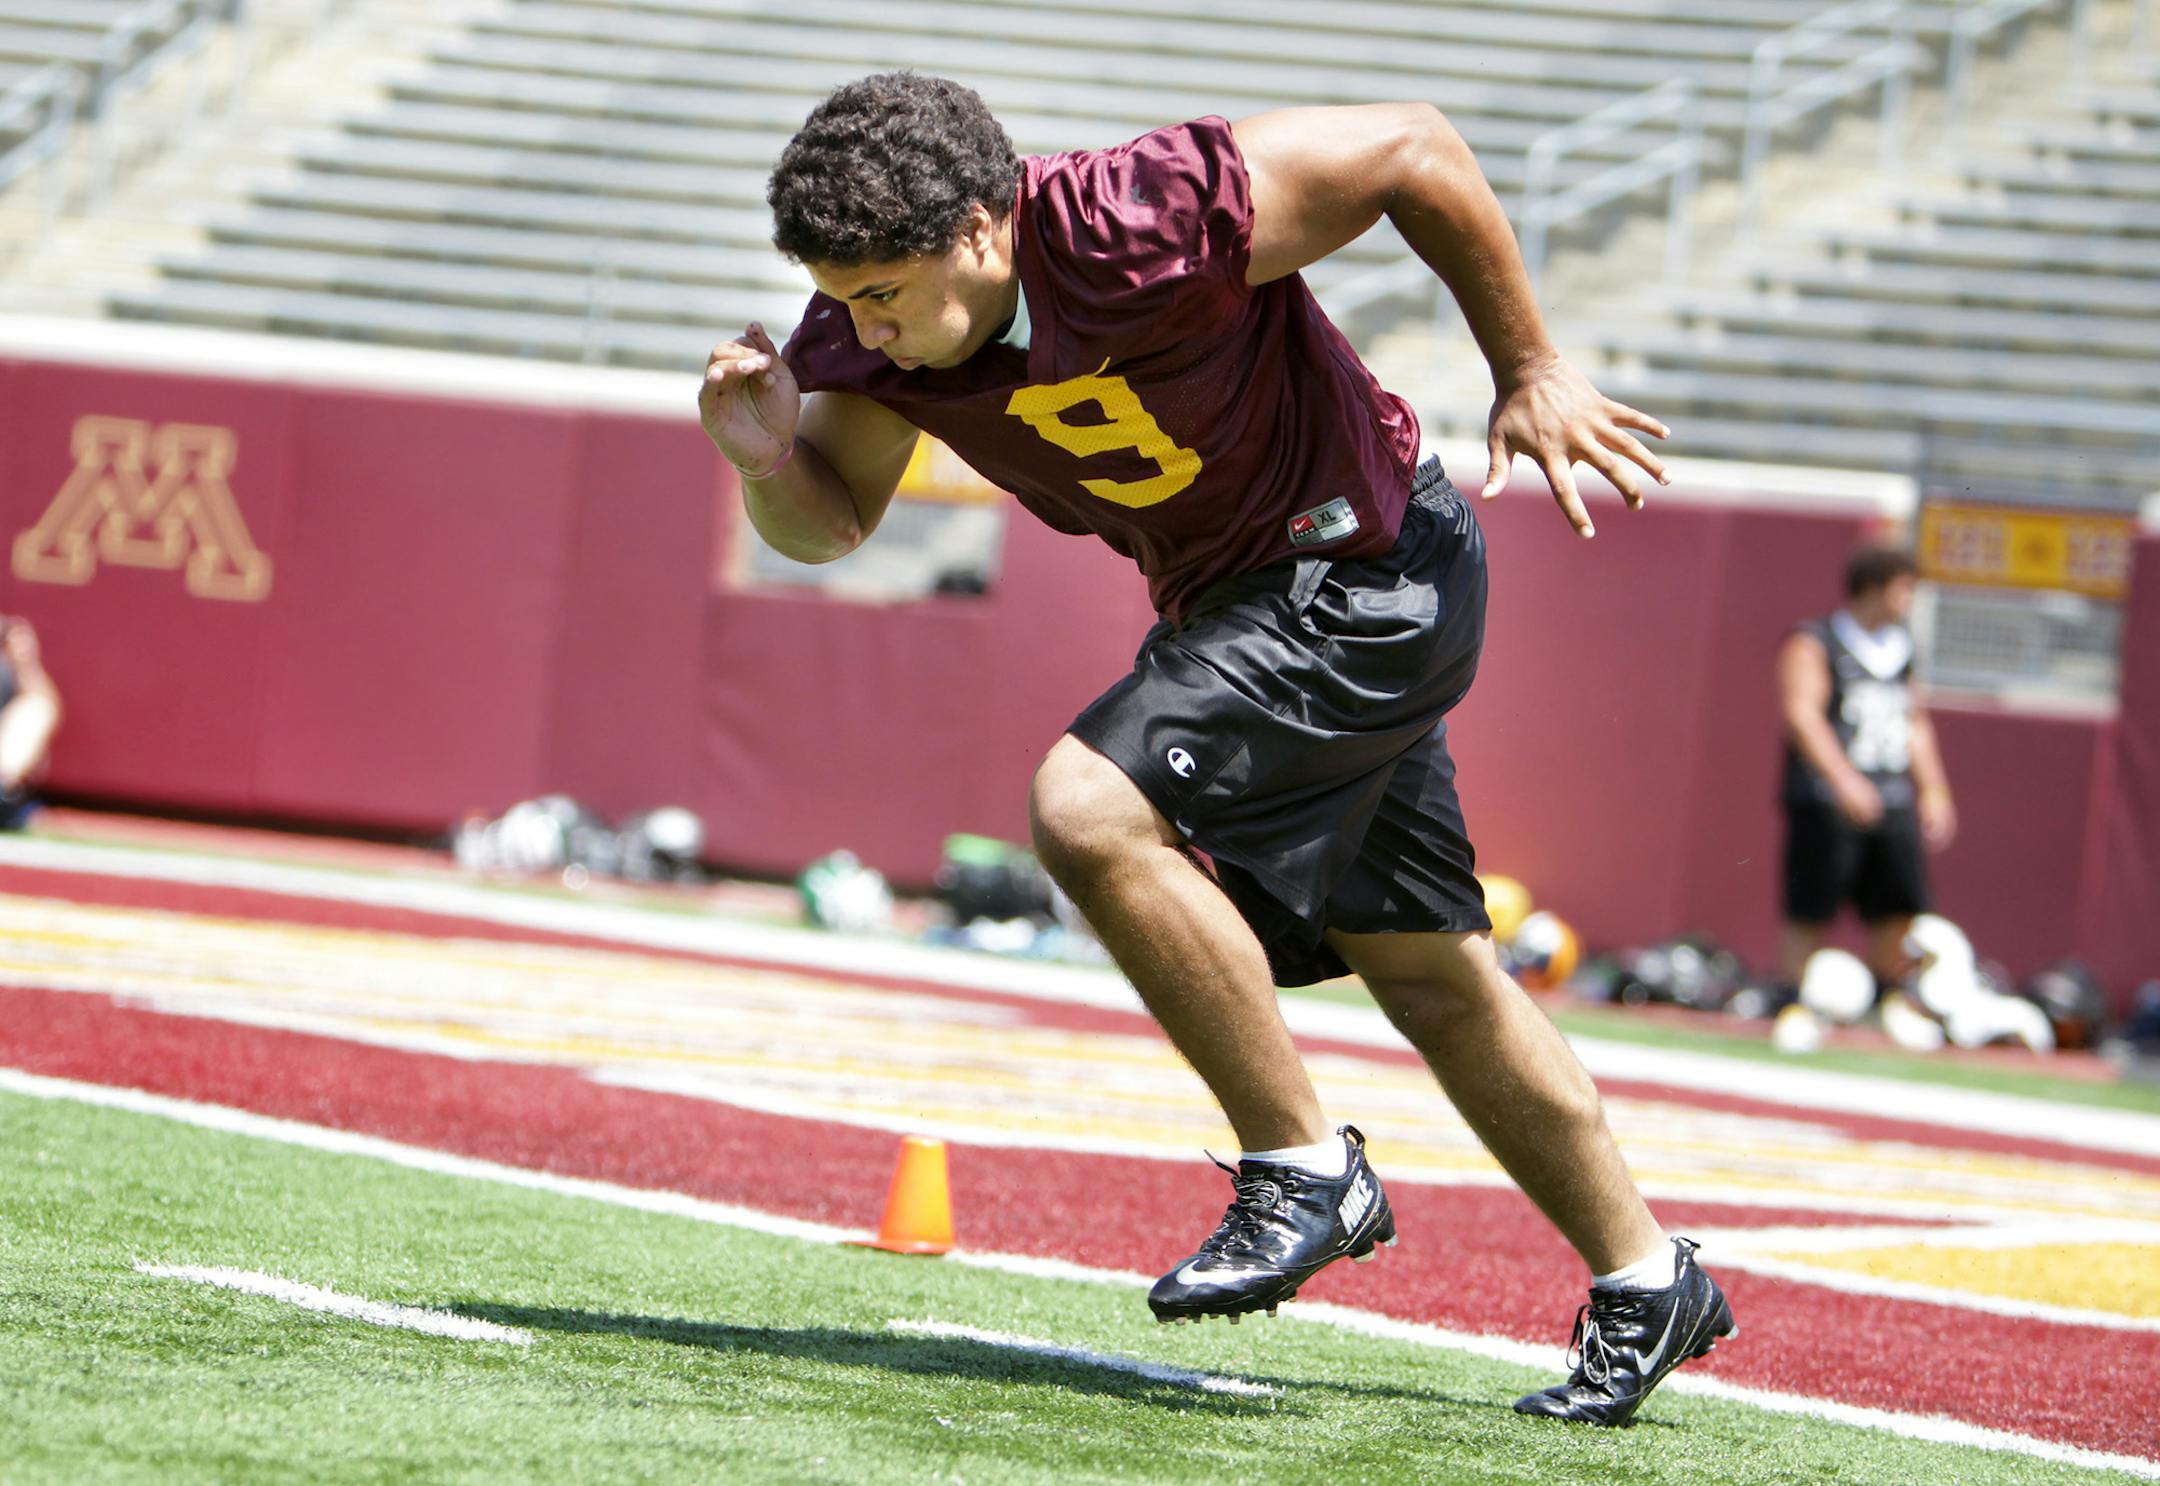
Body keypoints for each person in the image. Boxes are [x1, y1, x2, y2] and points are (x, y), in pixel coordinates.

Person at [700, 73, 1734, 1425]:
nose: (861, 328)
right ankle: (1649, 1276)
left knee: (1084, 808)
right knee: (1429, 968)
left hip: (1366, 567)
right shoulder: (863, 331)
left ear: (978, 228)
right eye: (843, 299)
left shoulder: (1140, 212)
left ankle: (1301, 1166)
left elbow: (1415, 148)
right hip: (1251, 602)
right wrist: (770, 459)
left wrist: (1530, 366)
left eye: (884, 292)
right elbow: (831, 525)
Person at [1777, 545, 1956, 995]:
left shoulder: (1900, 649)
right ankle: (1796, 996)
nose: (1910, 600)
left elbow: (1914, 720)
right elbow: (1802, 714)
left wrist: (1933, 789)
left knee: (1896, 907)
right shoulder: (1816, 640)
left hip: (1891, 795)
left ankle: (1885, 997)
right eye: (1905, 588)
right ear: (1875, 586)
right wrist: (1843, 779)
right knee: (1811, 908)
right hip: (1827, 798)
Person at [0, 614, 60, 828]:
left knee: (36, 709)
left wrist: (24, 661)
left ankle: (3, 789)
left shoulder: (10, 671)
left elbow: (43, 705)